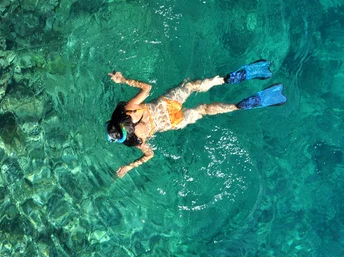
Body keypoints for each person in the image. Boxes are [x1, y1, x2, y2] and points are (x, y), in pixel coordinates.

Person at [105, 60, 286, 178]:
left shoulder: (135, 140)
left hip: (171, 123)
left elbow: (150, 154)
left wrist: (129, 166)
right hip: (166, 104)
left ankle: (239, 106)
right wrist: (124, 80)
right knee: (191, 85)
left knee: (203, 109)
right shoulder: (128, 110)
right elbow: (147, 88)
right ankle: (225, 80)